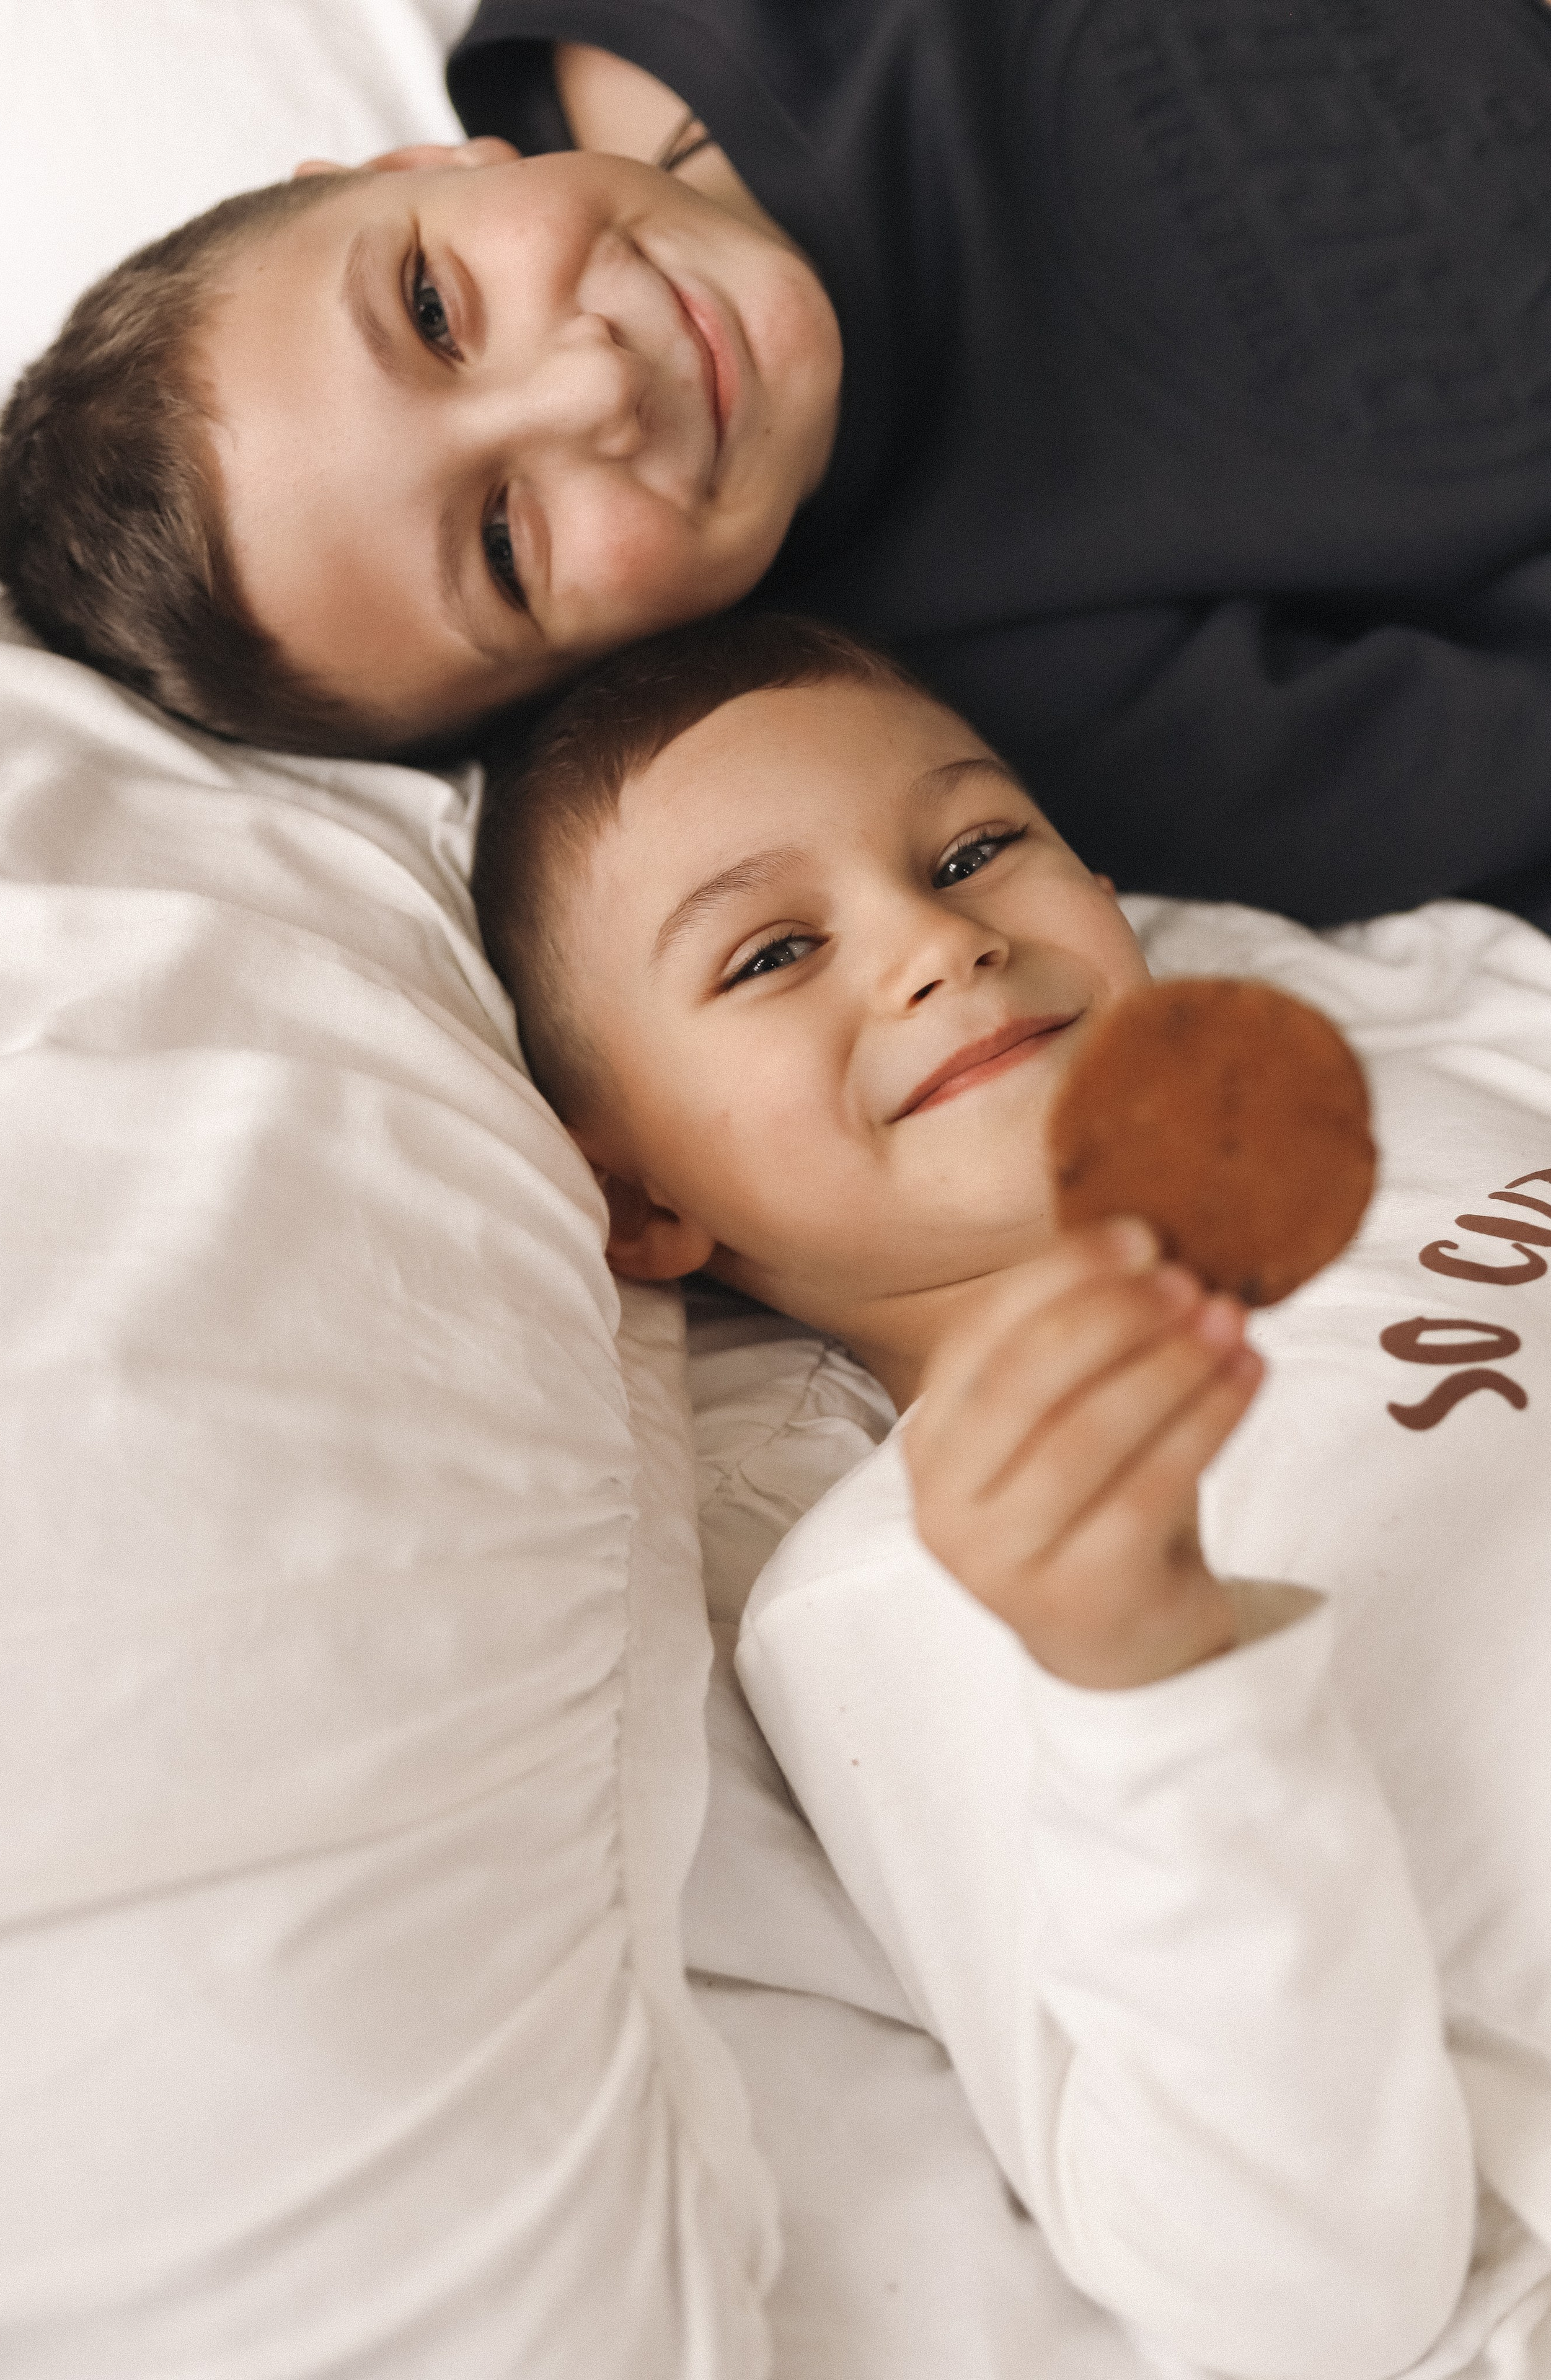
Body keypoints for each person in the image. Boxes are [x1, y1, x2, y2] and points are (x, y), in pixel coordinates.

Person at [469, 609, 1477, 2377]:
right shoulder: (919, 1589)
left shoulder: (1408, 1041)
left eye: (971, 847)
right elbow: (1296, 2309)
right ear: (641, 1210)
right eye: (773, 955)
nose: (939, 940)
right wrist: (1154, 1672)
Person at [0, 1, 1551, 928]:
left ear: (417, 170)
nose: (589, 383)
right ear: (588, 676)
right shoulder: (1011, 710)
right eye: (509, 547)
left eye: (430, 307)